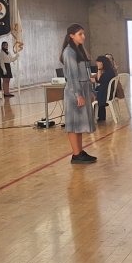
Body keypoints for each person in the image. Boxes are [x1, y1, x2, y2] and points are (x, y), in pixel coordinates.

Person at [60, 23, 97, 164]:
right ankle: (76, 154)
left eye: (83, 33)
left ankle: (79, 151)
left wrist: (90, 91)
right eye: (80, 34)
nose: (83, 36)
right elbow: (72, 76)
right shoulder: (69, 52)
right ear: (71, 36)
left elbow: (86, 74)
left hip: (84, 89)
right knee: (74, 123)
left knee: (80, 123)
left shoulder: (79, 50)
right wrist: (78, 94)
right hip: (74, 91)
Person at [93, 55, 115, 121]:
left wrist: (99, 69)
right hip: (107, 92)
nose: (97, 65)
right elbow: (99, 80)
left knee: (88, 95)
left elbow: (99, 80)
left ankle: (93, 117)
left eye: (98, 64)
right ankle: (99, 116)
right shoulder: (109, 70)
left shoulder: (108, 72)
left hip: (106, 94)